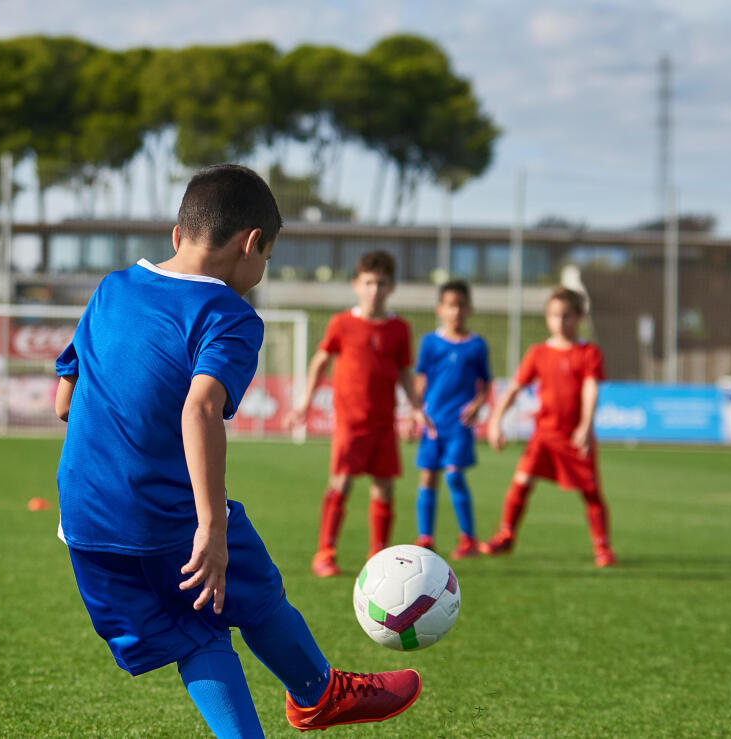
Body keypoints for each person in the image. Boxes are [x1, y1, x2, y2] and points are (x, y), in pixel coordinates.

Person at [55, 164, 421, 737]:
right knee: (253, 594)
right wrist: (211, 528)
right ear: (252, 245)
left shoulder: (112, 288)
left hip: (83, 520)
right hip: (166, 513)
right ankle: (319, 693)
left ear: (178, 234)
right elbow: (199, 409)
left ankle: (307, 699)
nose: (261, 272)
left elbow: (63, 400)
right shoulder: (229, 316)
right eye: (267, 260)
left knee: (197, 630)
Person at [290, 251, 432, 578]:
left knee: (384, 488)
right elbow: (320, 361)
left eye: (381, 283)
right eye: (368, 282)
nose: (374, 289)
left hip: (383, 423)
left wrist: (416, 408)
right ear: (357, 284)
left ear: (391, 287)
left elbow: (405, 374)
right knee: (340, 484)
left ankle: (378, 556)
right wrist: (304, 401)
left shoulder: (399, 328)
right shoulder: (342, 323)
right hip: (350, 423)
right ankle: (325, 552)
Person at [481, 286, 616, 568]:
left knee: (591, 492)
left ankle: (603, 548)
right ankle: (506, 535)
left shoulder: (589, 352)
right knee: (521, 481)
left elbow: (590, 390)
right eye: (554, 315)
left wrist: (585, 425)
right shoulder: (538, 352)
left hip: (576, 436)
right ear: (547, 318)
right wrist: (495, 421)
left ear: (579, 317)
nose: (560, 322)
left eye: (566, 316)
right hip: (544, 434)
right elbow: (515, 388)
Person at [410, 280, 492, 557]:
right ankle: (426, 538)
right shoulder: (430, 342)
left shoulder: (477, 345)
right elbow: (421, 380)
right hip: (433, 423)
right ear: (440, 309)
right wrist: (415, 413)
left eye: (460, 306)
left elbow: (486, 383)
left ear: (469, 309)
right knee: (429, 477)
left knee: (455, 476)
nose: (455, 311)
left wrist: (479, 403)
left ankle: (468, 539)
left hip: (459, 424)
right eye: (450, 306)